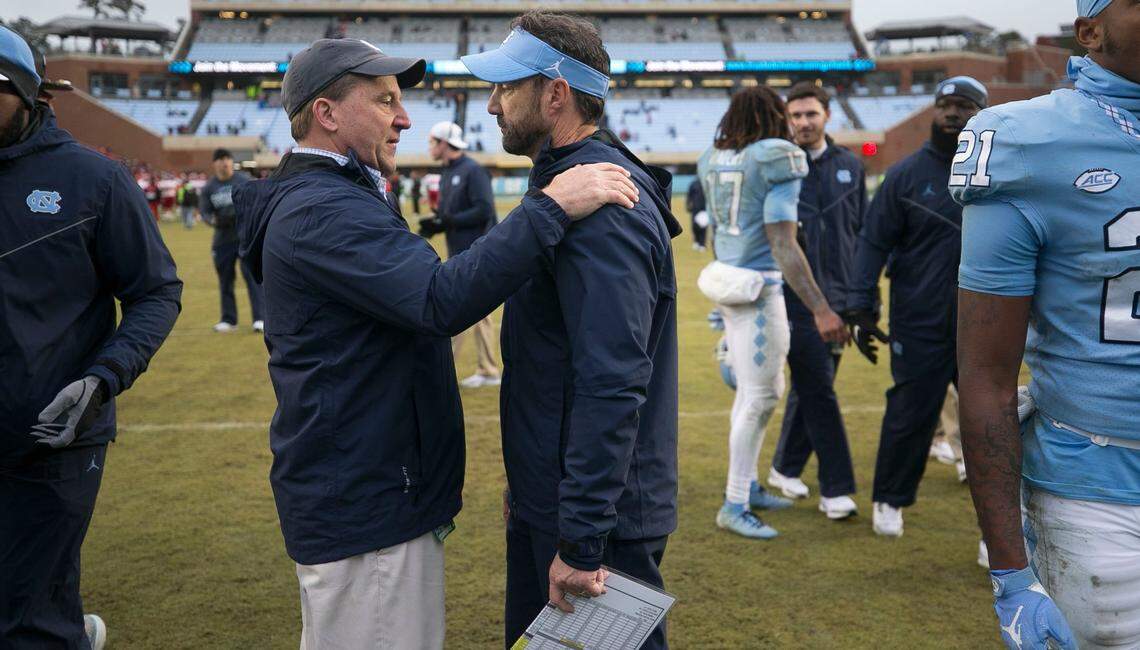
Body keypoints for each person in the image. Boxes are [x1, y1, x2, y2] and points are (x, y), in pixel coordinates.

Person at [233, 37, 638, 649]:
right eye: (385, 100)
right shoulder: (322, 209)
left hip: (373, 490)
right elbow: (438, 299)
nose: (404, 118)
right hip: (366, 502)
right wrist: (548, 209)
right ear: (327, 113)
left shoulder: (337, 195)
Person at [461, 13, 680, 648]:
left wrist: (581, 537)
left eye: (507, 87)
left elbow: (611, 382)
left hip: (595, 521)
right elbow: (552, 363)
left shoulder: (602, 208)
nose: (493, 103)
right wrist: (528, 490)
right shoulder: (567, 185)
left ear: (555, 93)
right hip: (559, 498)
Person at [954, 1, 1140, 647]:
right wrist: (1011, 571)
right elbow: (985, 373)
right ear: (1090, 32)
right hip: (1099, 489)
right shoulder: (1027, 140)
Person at [0, 26, 182, 650]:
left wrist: (104, 378)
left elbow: (156, 291)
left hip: (51, 442)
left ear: (27, 93)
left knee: (30, 623)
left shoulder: (92, 180)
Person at [696, 86, 850, 540]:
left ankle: (746, 486)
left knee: (760, 390)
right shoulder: (776, 156)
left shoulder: (713, 156)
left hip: (728, 280)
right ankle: (734, 502)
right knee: (760, 398)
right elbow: (783, 243)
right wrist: (821, 308)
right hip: (759, 288)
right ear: (773, 115)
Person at [845, 76, 988, 537]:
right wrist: (861, 305)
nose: (952, 113)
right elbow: (872, 242)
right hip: (919, 319)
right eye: (945, 104)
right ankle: (890, 499)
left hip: (988, 322)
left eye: (964, 105)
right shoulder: (905, 175)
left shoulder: (1003, 171)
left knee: (993, 422)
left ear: (981, 114)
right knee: (910, 414)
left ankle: (999, 526)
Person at [766, 82, 864, 520]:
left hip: (840, 296)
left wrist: (857, 296)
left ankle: (784, 467)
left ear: (828, 116)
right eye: (796, 116)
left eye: (811, 114)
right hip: (793, 298)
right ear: (787, 120)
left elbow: (859, 232)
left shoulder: (851, 165)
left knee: (812, 386)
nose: (804, 123)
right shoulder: (779, 165)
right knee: (819, 389)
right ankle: (837, 489)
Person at [420, 120, 502, 388]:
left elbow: (484, 210)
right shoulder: (447, 172)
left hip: (477, 252)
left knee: (478, 315)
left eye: (433, 141)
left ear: (445, 143)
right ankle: (452, 370)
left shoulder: (473, 171)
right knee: (461, 311)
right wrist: (437, 224)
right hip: (459, 252)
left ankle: (489, 370)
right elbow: (452, 214)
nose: (430, 147)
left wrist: (448, 221)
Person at [200, 148, 264, 333]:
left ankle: (260, 319)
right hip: (223, 241)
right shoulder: (209, 187)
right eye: (220, 159)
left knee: (253, 278)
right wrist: (216, 220)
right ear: (215, 164)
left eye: (227, 158)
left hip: (246, 239)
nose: (224, 162)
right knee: (225, 281)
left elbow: (258, 202)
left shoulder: (243, 180)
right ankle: (229, 320)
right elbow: (205, 213)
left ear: (231, 161)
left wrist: (245, 216)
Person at [686, 178, 708, 250]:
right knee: (694, 226)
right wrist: (688, 205)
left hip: (704, 209)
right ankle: (696, 241)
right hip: (695, 209)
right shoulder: (694, 184)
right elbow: (689, 195)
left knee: (703, 227)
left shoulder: (707, 183)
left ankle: (702, 244)